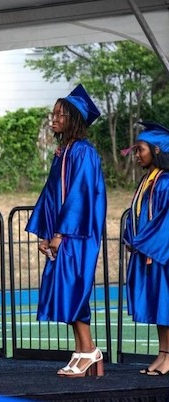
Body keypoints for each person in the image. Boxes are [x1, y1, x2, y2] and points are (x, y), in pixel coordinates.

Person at [25, 84, 107, 377]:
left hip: (78, 234)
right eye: (53, 113)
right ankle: (85, 350)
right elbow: (50, 195)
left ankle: (88, 351)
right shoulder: (64, 151)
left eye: (60, 114)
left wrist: (60, 234)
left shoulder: (84, 152)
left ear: (74, 119)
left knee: (73, 289)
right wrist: (46, 233)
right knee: (64, 290)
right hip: (63, 234)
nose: (54, 118)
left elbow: (79, 196)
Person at [124, 121, 169, 376]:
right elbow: (136, 215)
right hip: (149, 252)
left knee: (166, 305)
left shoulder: (165, 182)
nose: (137, 155)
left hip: (162, 254)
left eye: (140, 149)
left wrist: (145, 243)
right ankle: (163, 354)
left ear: (157, 150)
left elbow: (166, 221)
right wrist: (131, 237)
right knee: (158, 306)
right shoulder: (148, 180)